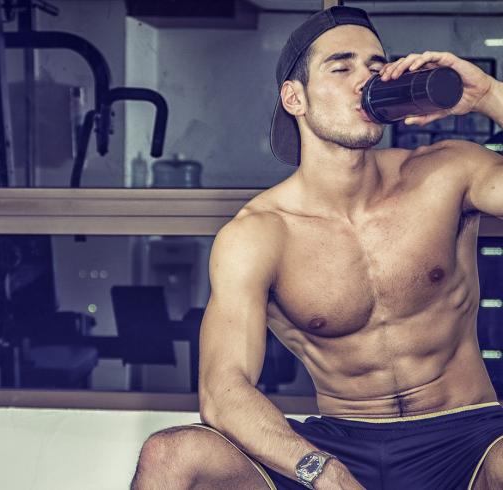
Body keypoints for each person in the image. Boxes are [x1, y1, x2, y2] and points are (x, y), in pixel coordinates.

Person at [130, 6, 503, 490]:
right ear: (294, 97)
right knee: (171, 455)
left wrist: (490, 96)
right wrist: (321, 471)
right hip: (341, 445)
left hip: (465, 437)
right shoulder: (259, 235)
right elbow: (223, 393)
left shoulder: (446, 172)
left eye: (375, 66)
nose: (363, 81)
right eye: (341, 67)